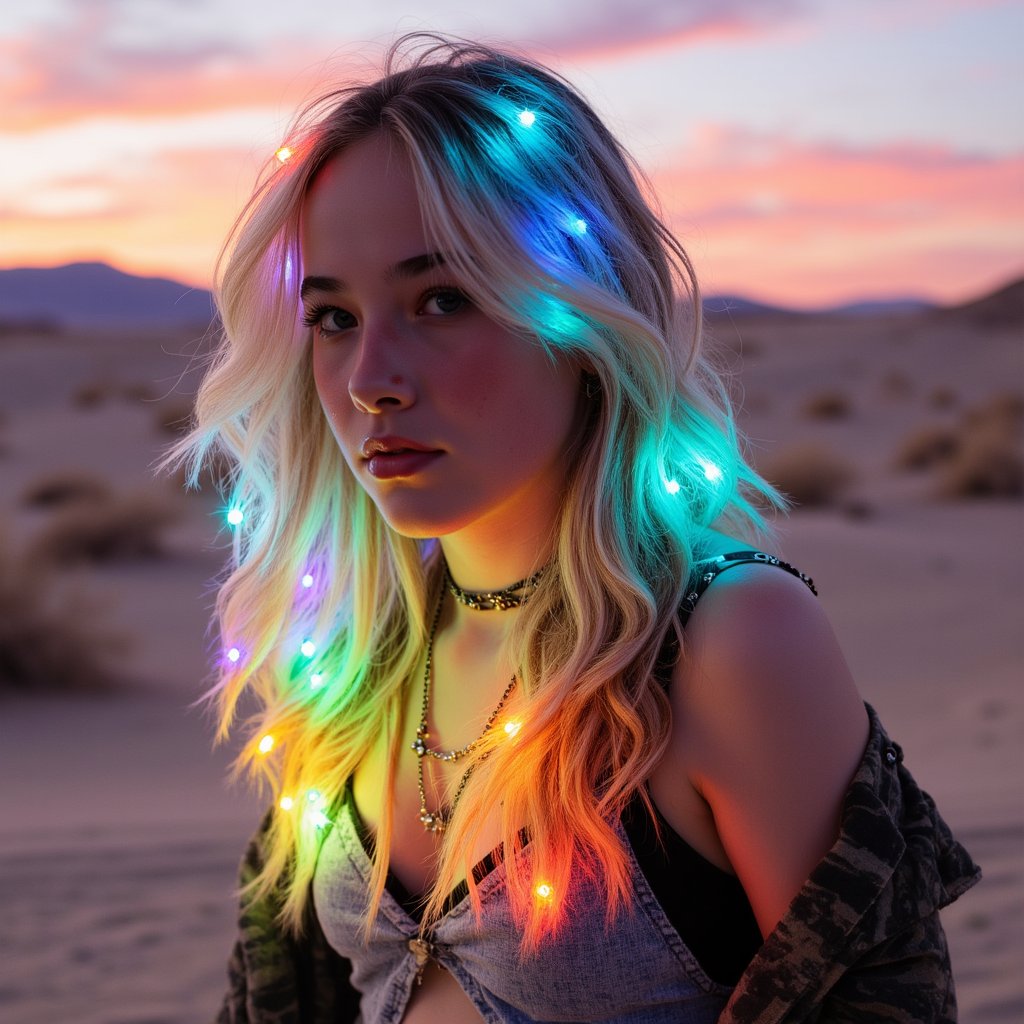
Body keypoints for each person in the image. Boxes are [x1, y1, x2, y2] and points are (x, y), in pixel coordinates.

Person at [176, 34, 980, 1024]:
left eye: (442, 299)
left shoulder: (723, 644)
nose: (370, 379)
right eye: (334, 317)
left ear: (585, 319)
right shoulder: (356, 657)